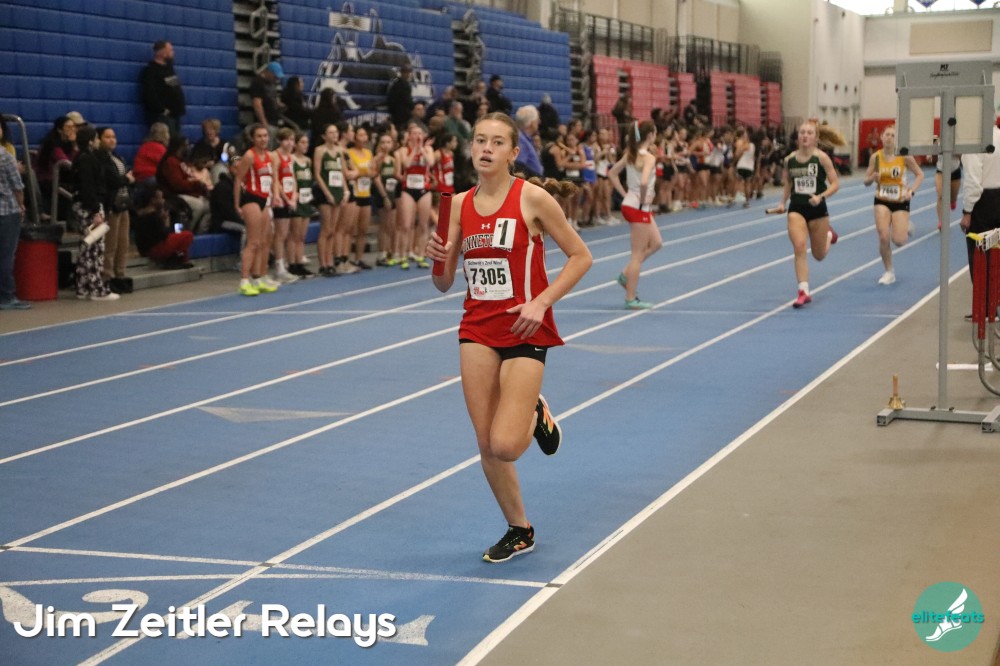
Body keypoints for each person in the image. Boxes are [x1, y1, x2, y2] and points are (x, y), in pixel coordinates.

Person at [424, 112, 592, 563]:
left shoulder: (532, 198)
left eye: (497, 142)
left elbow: (581, 256)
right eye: (480, 140)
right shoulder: (458, 205)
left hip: (524, 327)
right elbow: (442, 283)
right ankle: (520, 529)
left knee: (506, 445)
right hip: (477, 329)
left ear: (513, 153)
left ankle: (535, 409)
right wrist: (436, 258)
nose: (486, 148)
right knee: (486, 446)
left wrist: (542, 302)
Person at [770, 121, 841, 309]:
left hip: (818, 209)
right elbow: (788, 183)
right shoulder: (790, 160)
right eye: (802, 132)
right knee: (799, 246)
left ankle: (828, 235)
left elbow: (835, 184)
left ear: (816, 137)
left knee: (819, 255)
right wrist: (782, 203)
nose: (805, 135)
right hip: (797, 208)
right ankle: (803, 290)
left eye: (809, 133)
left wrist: (820, 197)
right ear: (798, 137)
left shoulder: (822, 158)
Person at [608, 121, 662, 310]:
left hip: (633, 204)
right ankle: (630, 298)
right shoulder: (648, 158)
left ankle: (626, 275)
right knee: (637, 256)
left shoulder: (630, 154)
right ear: (650, 135)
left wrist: (625, 194)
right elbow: (645, 181)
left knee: (657, 243)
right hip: (639, 206)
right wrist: (644, 197)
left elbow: (612, 173)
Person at [863, 125, 923, 286]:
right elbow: (866, 181)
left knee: (899, 240)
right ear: (882, 137)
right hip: (881, 200)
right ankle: (889, 271)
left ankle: (906, 226)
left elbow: (920, 174)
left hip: (900, 201)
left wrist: (911, 191)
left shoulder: (904, 156)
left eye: (892, 135)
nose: (889, 138)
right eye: (887, 135)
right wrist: (872, 177)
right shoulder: (875, 157)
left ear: (897, 139)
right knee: (883, 236)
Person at [232, 124, 282, 296]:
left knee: (263, 241)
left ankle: (259, 277)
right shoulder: (249, 156)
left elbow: (274, 179)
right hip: (251, 199)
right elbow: (238, 179)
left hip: (265, 200)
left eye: (265, 136)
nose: (263, 139)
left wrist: (275, 195)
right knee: (253, 242)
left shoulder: (270, 156)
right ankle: (244, 280)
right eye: (259, 136)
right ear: (253, 139)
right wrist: (237, 204)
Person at [72, 126, 118, 301]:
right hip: (89, 206)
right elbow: (88, 187)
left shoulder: (82, 158)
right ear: (91, 141)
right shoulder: (87, 160)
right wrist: (95, 211)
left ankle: (83, 286)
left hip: (85, 204)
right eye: (97, 139)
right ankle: (96, 288)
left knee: (87, 248)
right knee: (94, 249)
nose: (98, 141)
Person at [96, 127, 135, 294]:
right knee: (111, 243)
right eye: (107, 137)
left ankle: (120, 273)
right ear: (99, 139)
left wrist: (126, 179)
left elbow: (125, 177)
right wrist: (126, 179)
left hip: (123, 202)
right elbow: (113, 180)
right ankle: (107, 275)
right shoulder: (100, 159)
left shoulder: (118, 157)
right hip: (111, 204)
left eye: (113, 137)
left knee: (123, 242)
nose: (112, 140)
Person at [961, 122, 1000, 283]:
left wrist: (967, 212)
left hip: (984, 205)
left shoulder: (975, 141)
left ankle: (984, 299)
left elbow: (973, 183)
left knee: (981, 259)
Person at [393, 121, 435, 269]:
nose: (417, 136)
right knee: (406, 225)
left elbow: (431, 162)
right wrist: (415, 149)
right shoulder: (404, 150)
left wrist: (421, 149)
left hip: (424, 189)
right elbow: (406, 164)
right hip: (408, 189)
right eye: (414, 133)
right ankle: (403, 256)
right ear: (409, 136)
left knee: (423, 225)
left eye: (420, 133)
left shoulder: (428, 149)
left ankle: (420, 254)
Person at [312, 123, 349, 276]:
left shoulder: (339, 151)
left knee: (333, 230)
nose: (334, 135)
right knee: (326, 229)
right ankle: (323, 263)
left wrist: (346, 190)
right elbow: (317, 174)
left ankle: (330, 261)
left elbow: (341, 172)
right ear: (324, 135)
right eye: (331, 133)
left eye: (336, 132)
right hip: (325, 192)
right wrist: (327, 193)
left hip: (337, 190)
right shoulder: (320, 151)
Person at [0, 119, 29, 310]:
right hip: (7, 211)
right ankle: (6, 296)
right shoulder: (5, 156)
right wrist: (21, 205)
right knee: (5, 255)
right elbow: (17, 186)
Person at [156, 136, 211, 234]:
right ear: (179, 147)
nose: (188, 147)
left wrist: (200, 186)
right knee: (199, 206)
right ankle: (186, 232)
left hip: (188, 193)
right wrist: (195, 184)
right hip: (174, 195)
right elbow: (177, 185)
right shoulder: (170, 161)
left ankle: (199, 234)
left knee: (209, 205)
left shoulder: (182, 161)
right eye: (186, 145)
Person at [133, 186, 194, 269]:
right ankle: (177, 260)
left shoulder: (141, 214)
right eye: (161, 198)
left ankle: (181, 260)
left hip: (145, 249)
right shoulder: (153, 216)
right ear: (153, 200)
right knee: (187, 235)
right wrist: (166, 221)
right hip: (155, 249)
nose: (163, 200)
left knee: (178, 237)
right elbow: (165, 235)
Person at [270, 127, 299, 283]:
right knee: (280, 235)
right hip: (280, 199)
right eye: (286, 140)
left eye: (292, 140)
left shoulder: (290, 157)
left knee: (285, 234)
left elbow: (292, 178)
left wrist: (294, 195)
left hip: (289, 197)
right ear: (280, 141)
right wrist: (286, 199)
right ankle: (279, 267)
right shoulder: (275, 156)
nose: (290, 143)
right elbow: (275, 179)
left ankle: (283, 265)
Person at [139, 40, 186, 136]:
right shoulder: (151, 71)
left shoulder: (170, 69)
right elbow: (149, 94)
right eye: (170, 50)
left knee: (176, 141)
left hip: (175, 114)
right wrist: (163, 110)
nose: (173, 53)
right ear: (161, 52)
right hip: (163, 116)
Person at [288, 131, 315, 277]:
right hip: (296, 199)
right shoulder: (291, 159)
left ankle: (299, 262)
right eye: (302, 142)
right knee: (294, 235)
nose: (306, 145)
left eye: (307, 142)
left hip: (306, 199)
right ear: (296, 144)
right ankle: (292, 264)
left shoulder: (308, 161)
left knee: (302, 236)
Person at [250, 62, 286, 142]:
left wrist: (278, 104)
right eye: (274, 76)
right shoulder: (258, 82)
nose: (276, 79)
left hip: (274, 121)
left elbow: (272, 98)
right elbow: (257, 104)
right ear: (268, 72)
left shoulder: (272, 83)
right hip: (266, 122)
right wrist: (264, 123)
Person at [933, 136, 962, 232]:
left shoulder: (957, 140)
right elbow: (933, 154)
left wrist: (953, 149)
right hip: (941, 170)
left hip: (954, 170)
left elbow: (961, 156)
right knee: (941, 196)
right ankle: (941, 221)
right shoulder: (938, 140)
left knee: (953, 198)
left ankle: (953, 201)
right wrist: (932, 151)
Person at [513, 105, 543, 179]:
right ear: (532, 123)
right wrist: (537, 176)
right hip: (530, 180)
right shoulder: (521, 140)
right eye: (537, 120)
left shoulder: (526, 139)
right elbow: (519, 166)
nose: (539, 122)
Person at [386, 63, 414, 132]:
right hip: (402, 116)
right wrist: (412, 107)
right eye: (406, 72)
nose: (408, 74)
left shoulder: (396, 84)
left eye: (409, 72)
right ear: (401, 73)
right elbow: (408, 101)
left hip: (397, 115)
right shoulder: (403, 85)